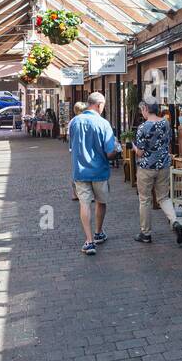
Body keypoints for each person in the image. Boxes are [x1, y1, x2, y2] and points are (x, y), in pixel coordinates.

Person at [67, 92, 118, 256]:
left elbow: (71, 147)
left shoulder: (74, 122)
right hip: (99, 171)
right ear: (99, 105)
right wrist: (117, 150)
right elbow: (110, 152)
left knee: (84, 204)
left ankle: (89, 241)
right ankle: (98, 232)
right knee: (101, 202)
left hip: (80, 170)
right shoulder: (103, 124)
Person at [133, 101, 182, 245]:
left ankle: (146, 233)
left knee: (145, 199)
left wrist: (133, 147)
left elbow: (140, 152)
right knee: (163, 197)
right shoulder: (165, 123)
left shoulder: (143, 127)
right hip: (163, 165)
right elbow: (167, 142)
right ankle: (174, 221)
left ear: (145, 109)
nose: (141, 112)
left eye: (141, 109)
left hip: (147, 167)